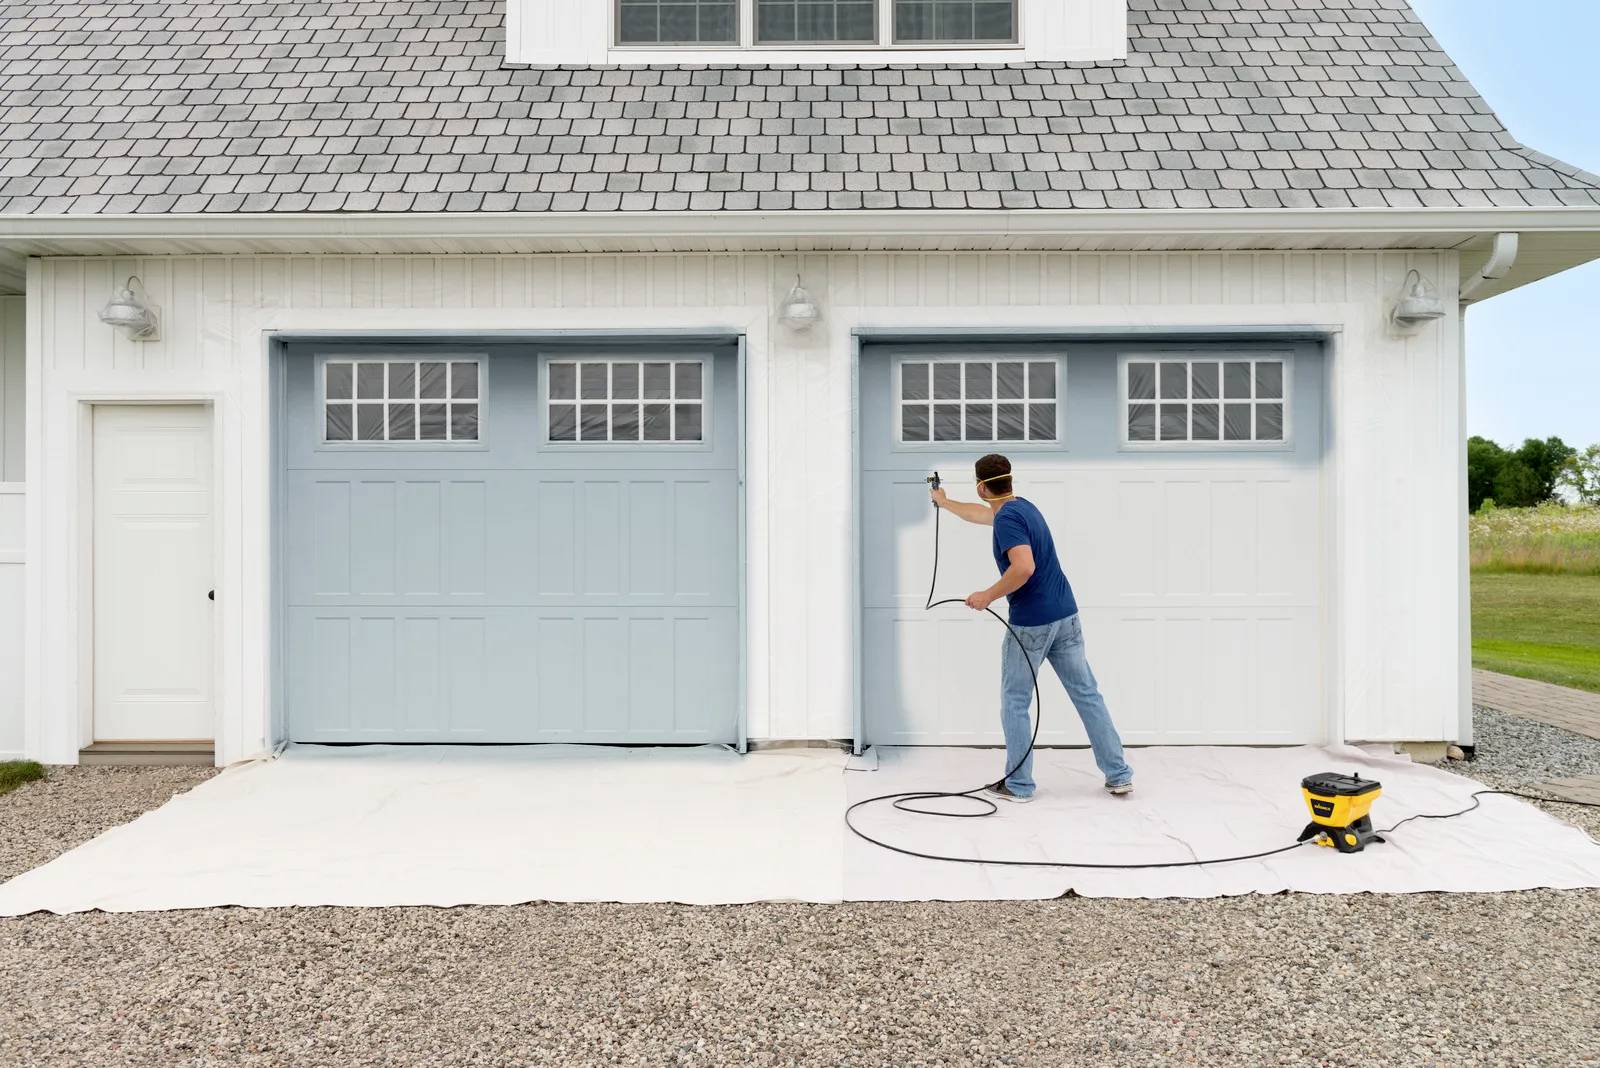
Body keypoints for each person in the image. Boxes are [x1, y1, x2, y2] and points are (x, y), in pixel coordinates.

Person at [929, 454, 1133, 803]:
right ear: (1009, 481)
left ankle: (1019, 785)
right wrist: (944, 503)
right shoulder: (1021, 507)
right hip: (1065, 615)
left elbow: (1023, 567)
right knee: (1087, 694)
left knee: (1015, 700)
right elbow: (981, 515)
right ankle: (1119, 775)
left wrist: (987, 596)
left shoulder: (1007, 518)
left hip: (1033, 624)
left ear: (981, 486)